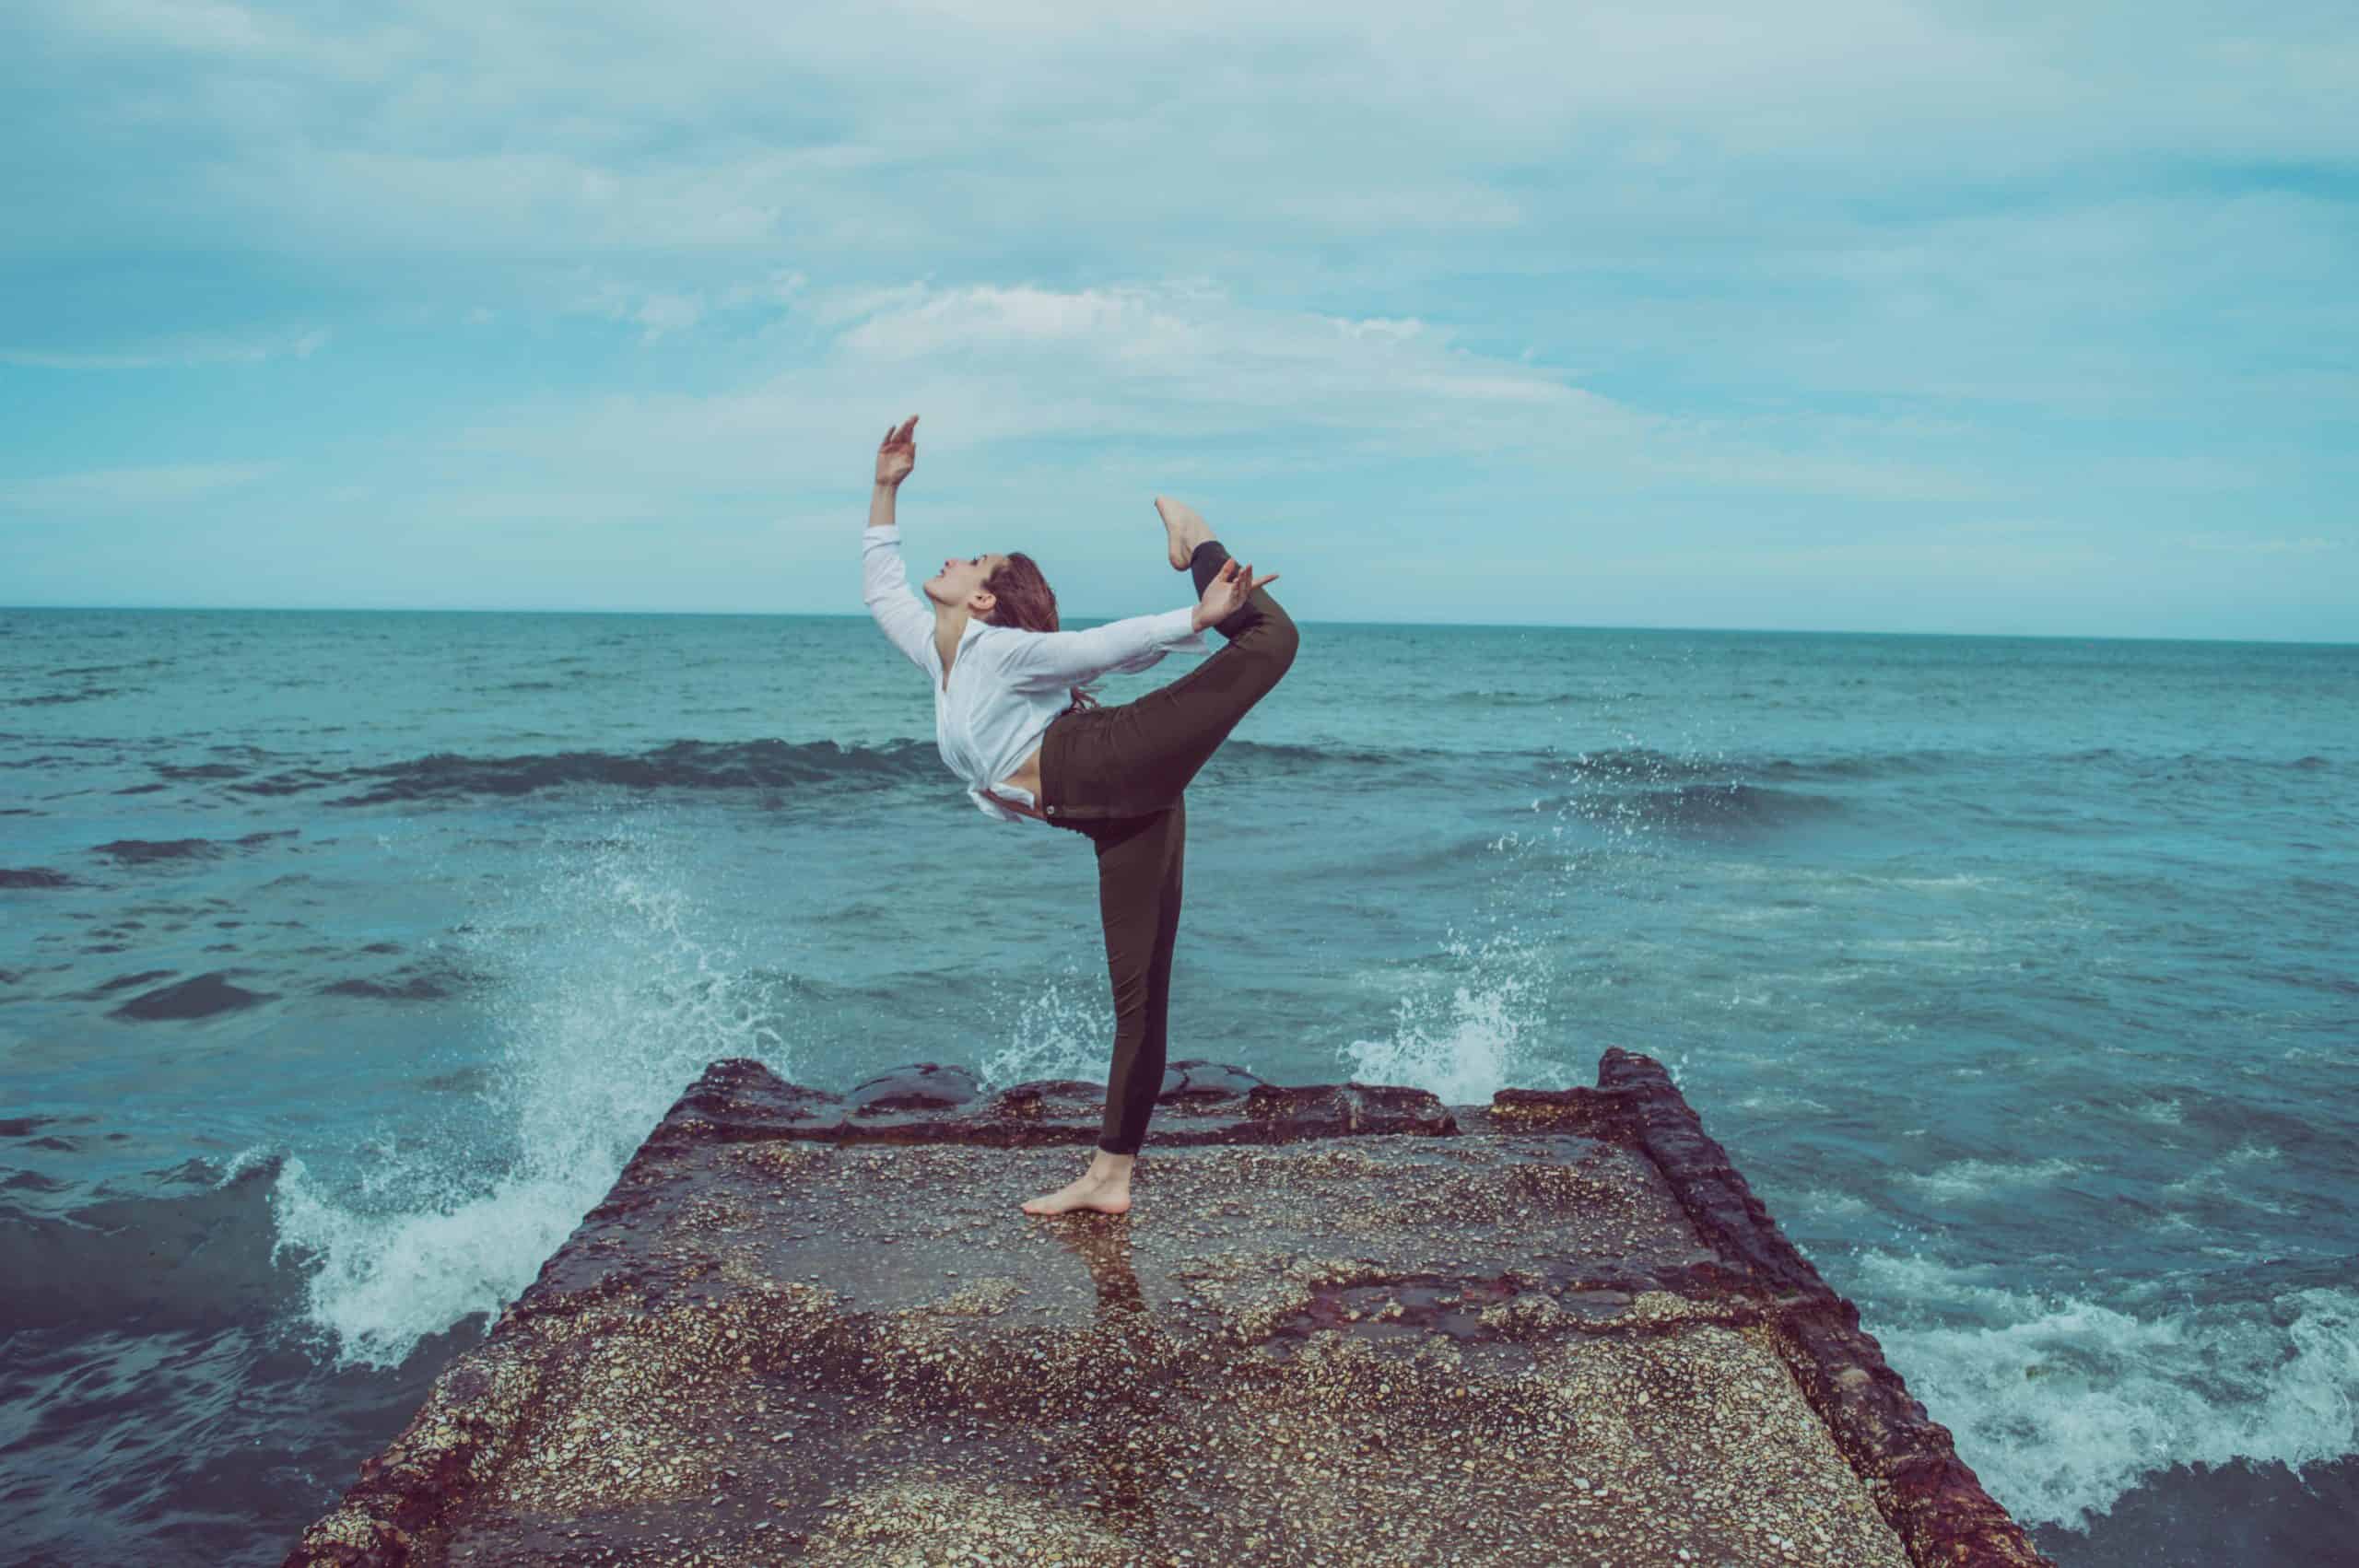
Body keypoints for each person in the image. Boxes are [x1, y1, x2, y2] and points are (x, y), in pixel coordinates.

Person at [860, 414, 1298, 1216]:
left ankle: (1197, 538)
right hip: (1111, 812)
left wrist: (1196, 617)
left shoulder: (1001, 651)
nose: (953, 558)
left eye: (973, 560)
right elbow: (881, 588)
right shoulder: (942, 655)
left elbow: (1094, 649)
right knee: (1141, 995)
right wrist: (887, 485)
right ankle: (1111, 1178)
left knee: (1269, 641)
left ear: (984, 596)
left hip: (1110, 759)